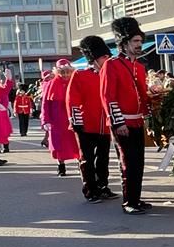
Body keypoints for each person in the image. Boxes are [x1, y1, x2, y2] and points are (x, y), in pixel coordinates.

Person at [101, 16, 150, 215]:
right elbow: (108, 96)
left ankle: (136, 199)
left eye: (140, 41)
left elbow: (141, 94)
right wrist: (117, 121)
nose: (139, 45)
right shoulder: (111, 65)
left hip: (137, 121)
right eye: (135, 42)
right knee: (128, 163)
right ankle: (129, 201)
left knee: (139, 162)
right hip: (122, 122)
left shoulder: (138, 66)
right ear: (124, 43)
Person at [68, 36, 115, 203]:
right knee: (87, 159)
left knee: (103, 158)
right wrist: (76, 122)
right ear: (94, 59)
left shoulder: (109, 75)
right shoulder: (80, 75)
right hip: (86, 124)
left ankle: (102, 185)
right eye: (104, 57)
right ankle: (90, 189)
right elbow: (72, 100)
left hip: (105, 125)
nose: (107, 59)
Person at [40, 59, 80, 177]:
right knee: (59, 144)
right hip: (57, 120)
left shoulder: (76, 82)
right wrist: (45, 120)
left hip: (73, 117)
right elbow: (45, 104)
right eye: (63, 72)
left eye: (68, 72)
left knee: (76, 143)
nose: (66, 75)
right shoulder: (50, 84)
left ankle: (80, 163)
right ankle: (61, 166)